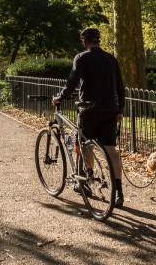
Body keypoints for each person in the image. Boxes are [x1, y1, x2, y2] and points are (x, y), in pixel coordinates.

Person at [53, 27, 126, 209]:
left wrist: (60, 97)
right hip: (110, 109)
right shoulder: (111, 59)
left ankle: (84, 181)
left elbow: (72, 81)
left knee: (84, 145)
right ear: (99, 41)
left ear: (84, 41)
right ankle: (118, 192)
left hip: (89, 109)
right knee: (111, 151)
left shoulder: (82, 57)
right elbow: (120, 86)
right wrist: (120, 109)